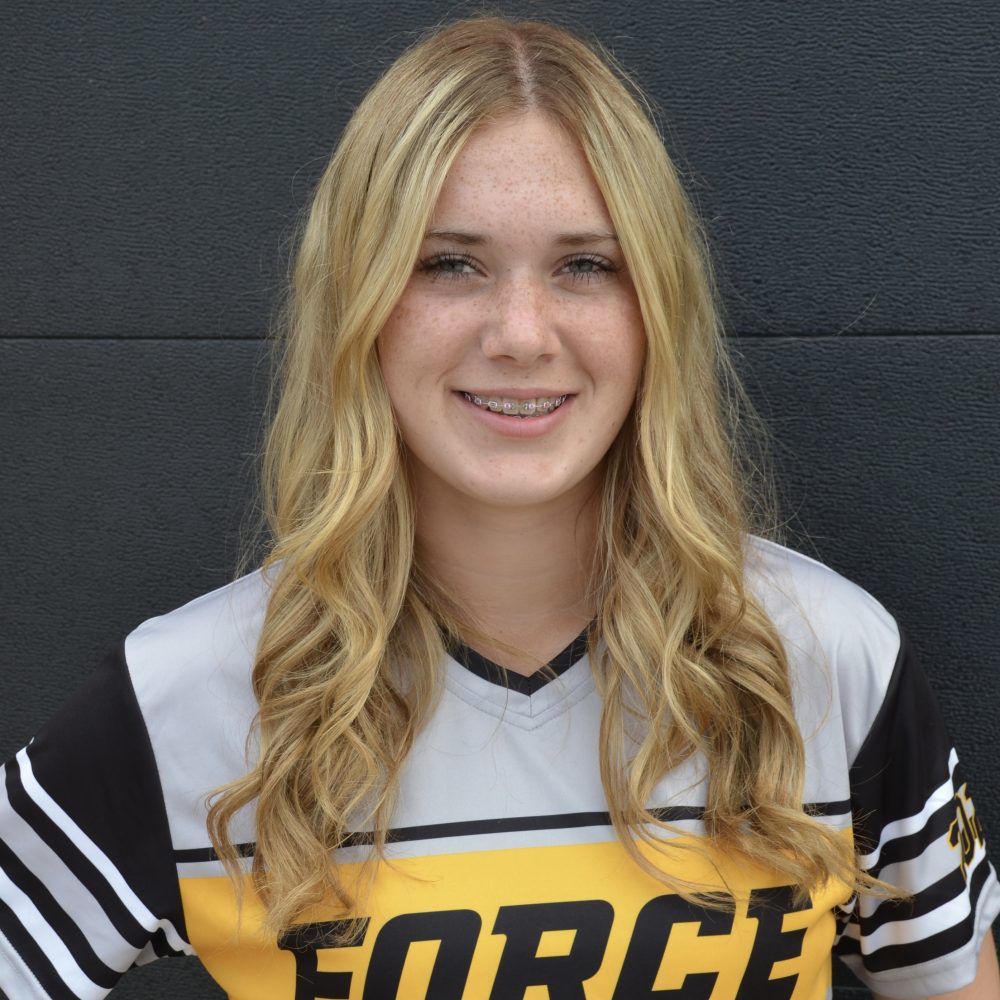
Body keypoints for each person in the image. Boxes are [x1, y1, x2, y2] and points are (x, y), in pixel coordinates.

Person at [1, 15, 997, 1000]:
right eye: (450, 263)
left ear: (657, 308)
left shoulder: (823, 659)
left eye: (585, 266)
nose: (521, 334)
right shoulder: (190, 698)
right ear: (359, 304)